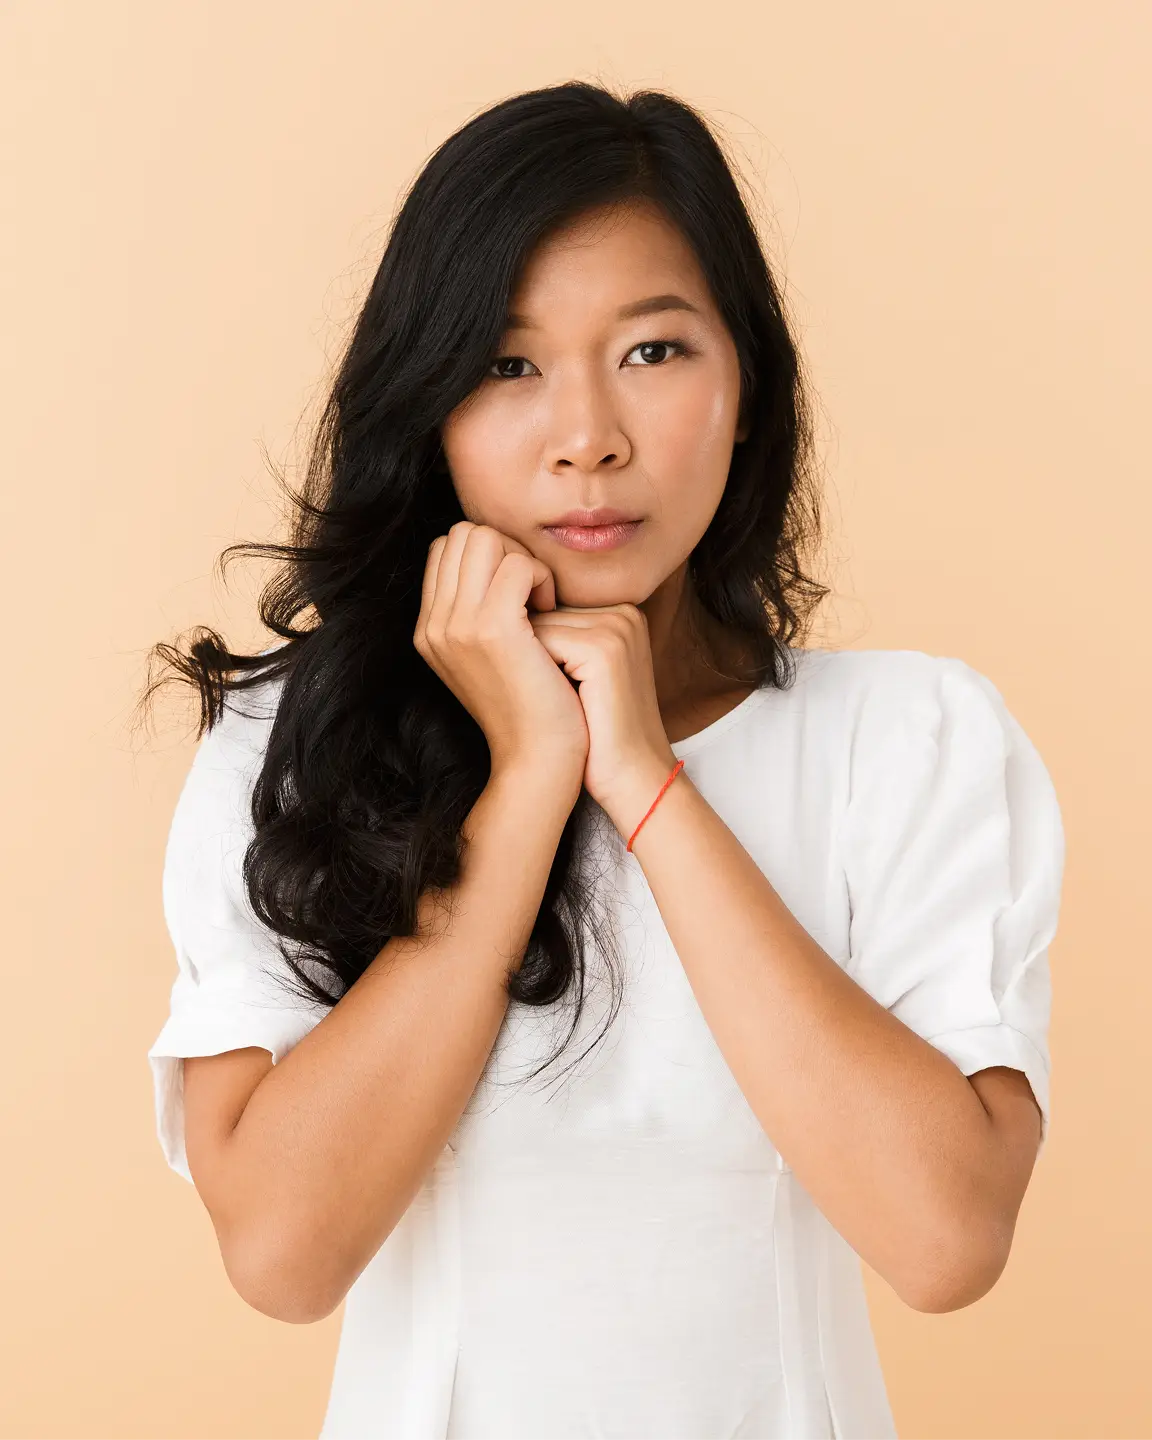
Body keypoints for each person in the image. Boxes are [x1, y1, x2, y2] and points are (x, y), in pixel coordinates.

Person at [145, 80, 1064, 1440]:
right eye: (508, 365)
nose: (589, 437)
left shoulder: (912, 739)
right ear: (431, 412)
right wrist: (529, 781)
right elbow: (284, 1252)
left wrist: (644, 782)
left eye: (653, 351)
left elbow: (946, 1241)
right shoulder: (291, 747)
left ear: (749, 387)